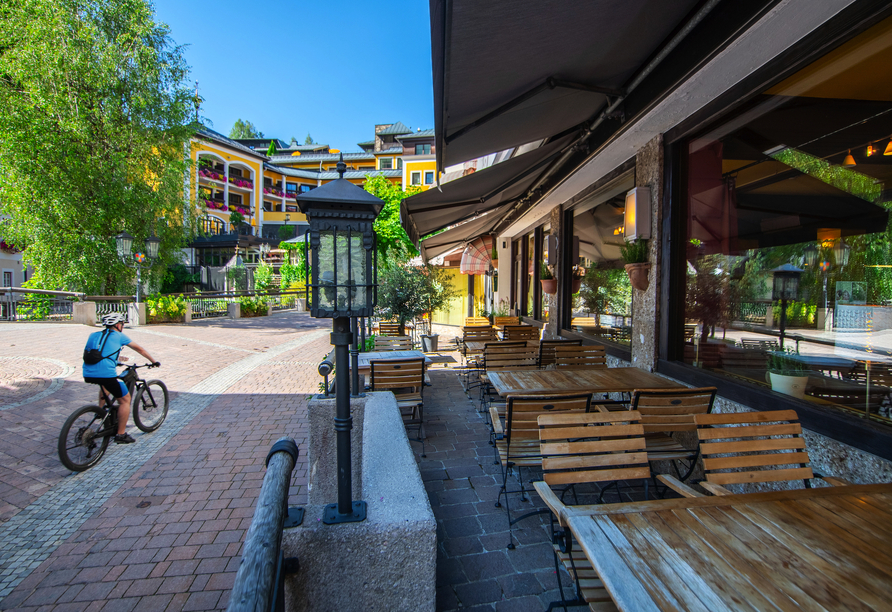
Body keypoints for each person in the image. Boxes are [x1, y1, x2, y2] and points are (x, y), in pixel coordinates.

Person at [82, 313, 159, 444]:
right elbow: (139, 349)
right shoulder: (119, 336)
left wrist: (115, 360)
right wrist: (153, 361)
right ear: (118, 325)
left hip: (88, 373)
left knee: (105, 385)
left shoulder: (93, 335)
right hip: (106, 374)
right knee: (125, 400)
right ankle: (121, 434)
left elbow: (97, 353)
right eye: (122, 324)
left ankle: (101, 413)